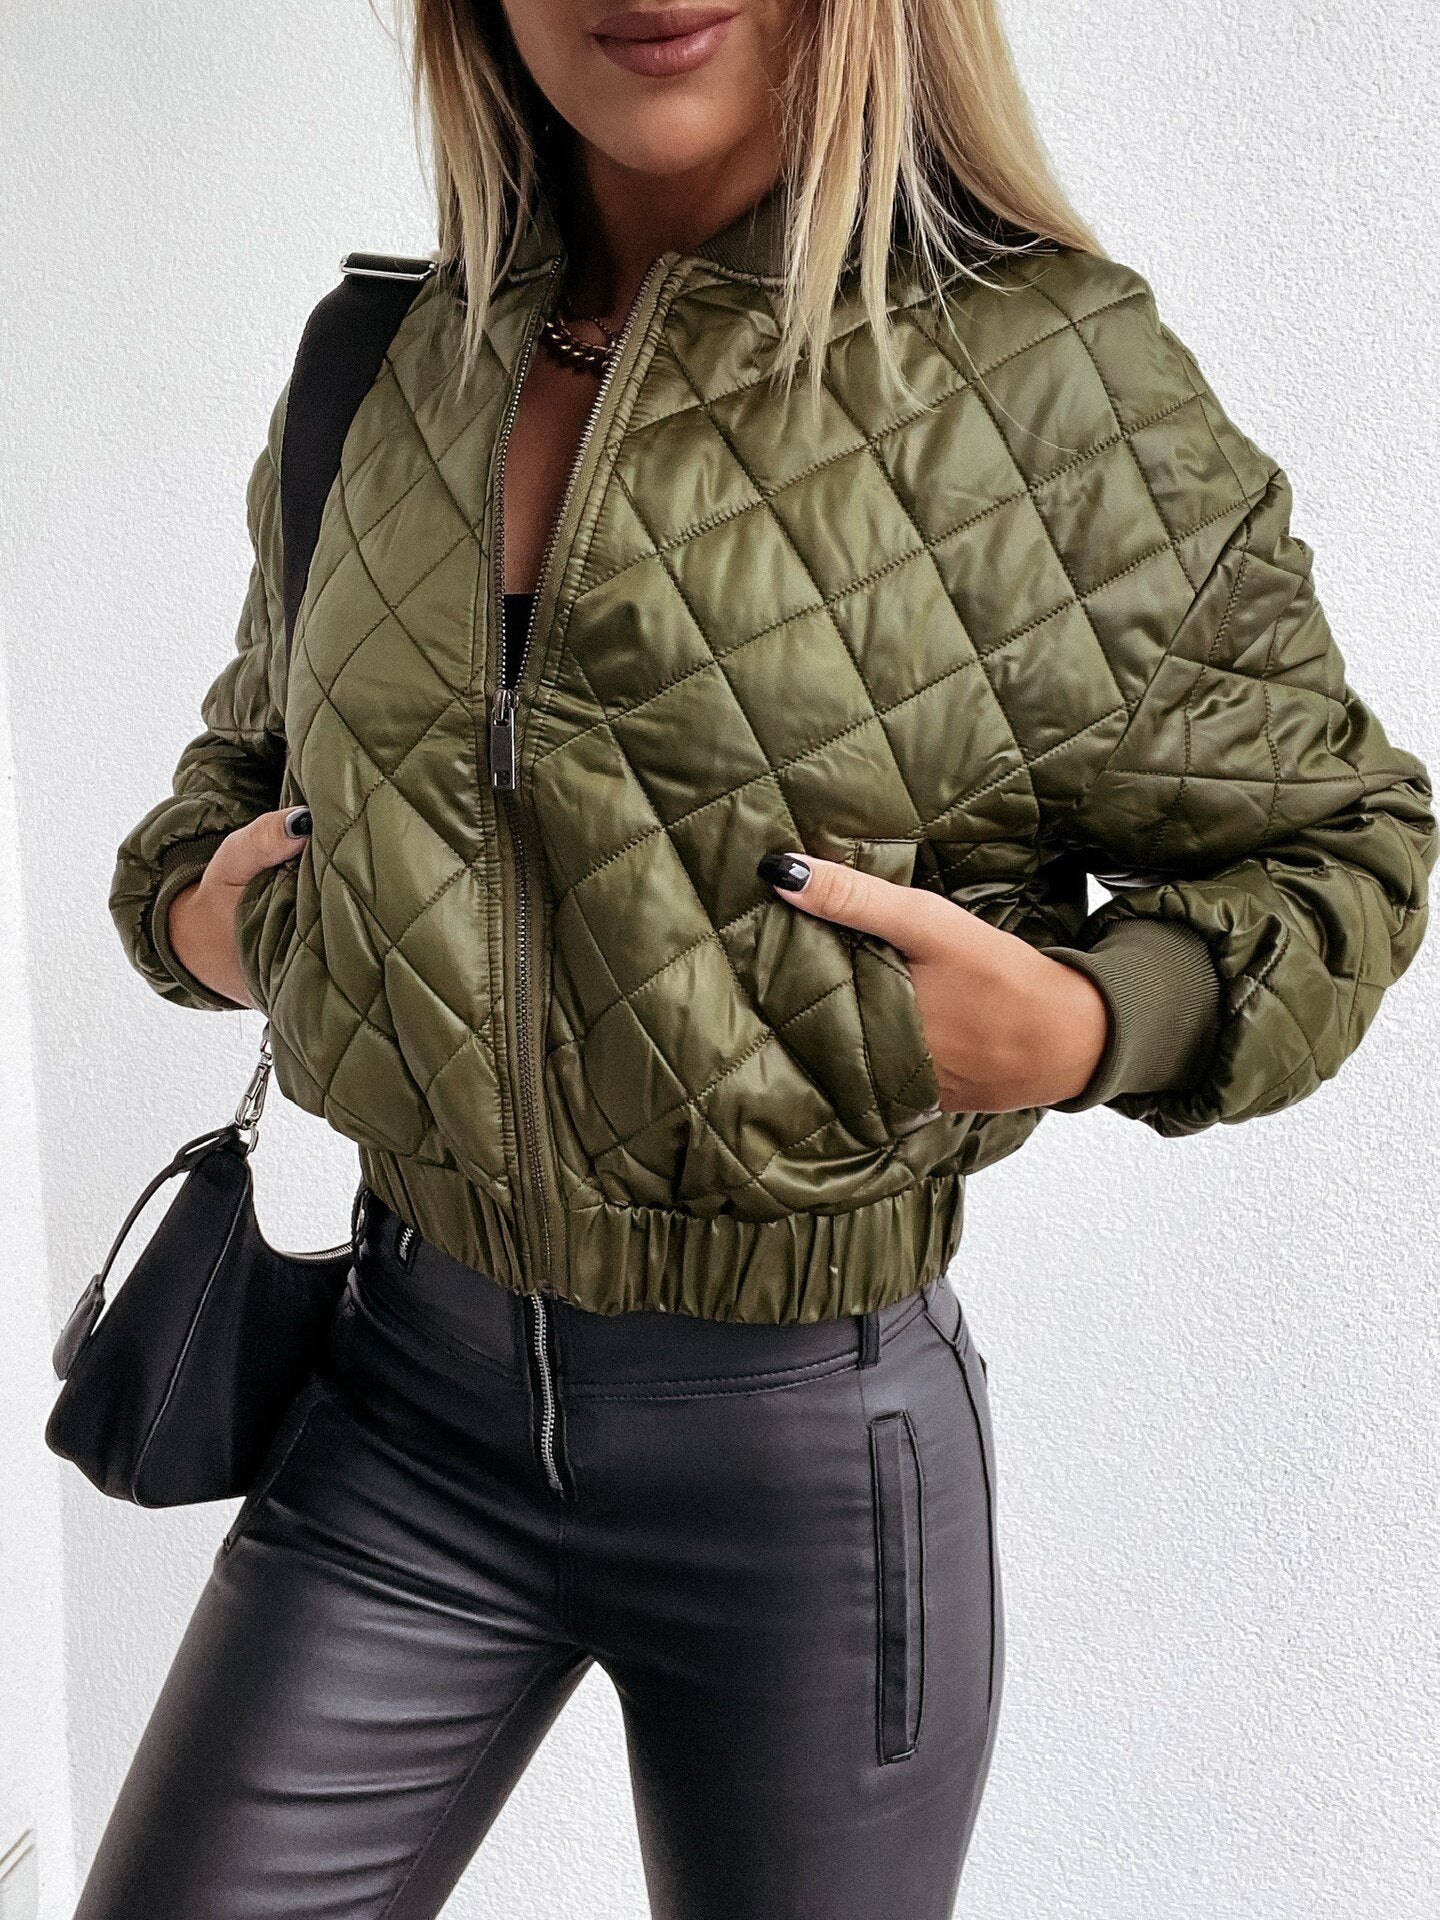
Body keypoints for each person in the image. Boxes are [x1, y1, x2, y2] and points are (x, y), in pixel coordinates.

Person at [84, 2, 1435, 1916]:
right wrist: (199, 916)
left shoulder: (1049, 378)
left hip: (808, 1465)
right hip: (399, 1410)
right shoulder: (384, 360)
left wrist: (1086, 1023)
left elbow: (1344, 843)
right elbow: (242, 772)